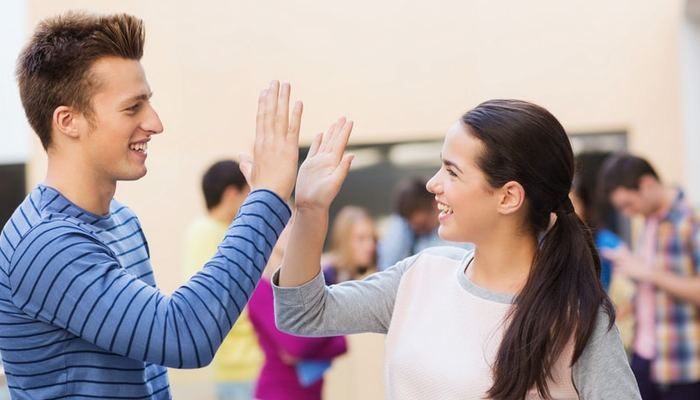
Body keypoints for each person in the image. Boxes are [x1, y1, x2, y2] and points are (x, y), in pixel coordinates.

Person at [0, 11, 323, 398]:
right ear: (68, 121)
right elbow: (183, 336)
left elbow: (150, 366)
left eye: (148, 103)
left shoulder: (121, 220)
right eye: (132, 108)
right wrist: (266, 197)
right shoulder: (46, 244)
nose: (155, 123)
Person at [272, 100, 641, 399]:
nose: (433, 184)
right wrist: (309, 210)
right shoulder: (420, 275)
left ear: (508, 196)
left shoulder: (578, 319)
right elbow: (302, 314)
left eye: (452, 172)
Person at [600, 153, 700, 399]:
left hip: (682, 364)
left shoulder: (691, 221)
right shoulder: (649, 222)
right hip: (644, 356)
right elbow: (655, 290)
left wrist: (648, 273)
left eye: (628, 204)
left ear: (646, 184)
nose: (627, 213)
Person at [183, 160, 261, 400]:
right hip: (240, 363)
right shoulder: (208, 232)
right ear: (231, 194)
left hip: (244, 362)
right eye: (247, 194)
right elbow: (209, 299)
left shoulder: (219, 231)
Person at [248, 218, 347, 400]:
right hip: (278, 393)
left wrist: (312, 335)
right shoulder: (260, 289)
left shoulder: (307, 284)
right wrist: (326, 325)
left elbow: (341, 343)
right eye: (284, 224)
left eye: (295, 223)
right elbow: (296, 347)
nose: (291, 230)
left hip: (312, 393)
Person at [377, 177, 467, 270]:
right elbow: (387, 264)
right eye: (412, 224)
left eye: (422, 225)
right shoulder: (407, 229)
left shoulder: (458, 235)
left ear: (434, 204)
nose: (415, 229)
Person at [322, 206, 377, 284]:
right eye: (361, 239)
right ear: (344, 240)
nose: (370, 246)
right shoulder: (326, 275)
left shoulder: (372, 274)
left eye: (373, 238)